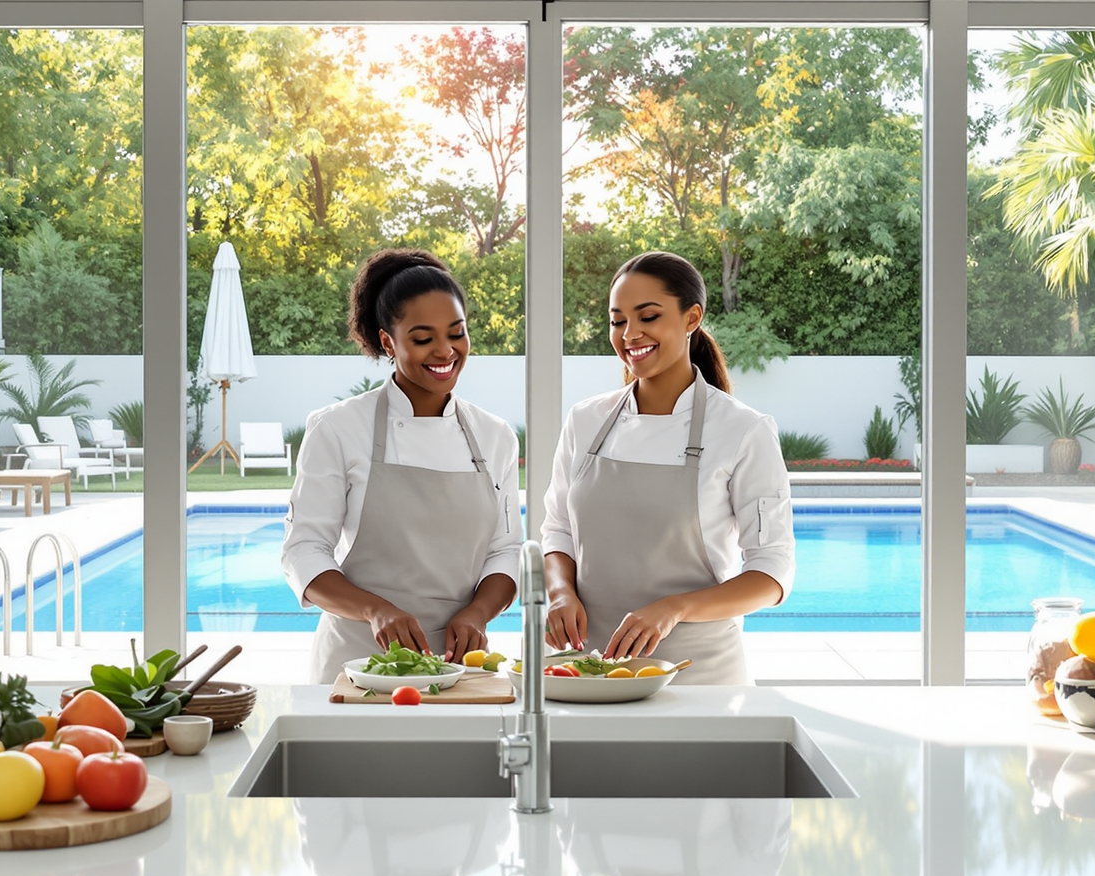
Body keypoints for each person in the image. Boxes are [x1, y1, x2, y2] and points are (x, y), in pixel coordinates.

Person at [539, 251, 793, 686]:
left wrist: (674, 608)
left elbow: (772, 572)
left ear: (691, 317)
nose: (629, 334)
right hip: (583, 669)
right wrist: (561, 593)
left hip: (697, 676)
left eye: (648, 317)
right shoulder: (585, 420)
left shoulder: (743, 430)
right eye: (617, 321)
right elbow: (557, 529)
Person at [284, 249, 524, 684]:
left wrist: (477, 613)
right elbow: (303, 550)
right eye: (423, 338)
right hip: (358, 662)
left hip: (459, 666)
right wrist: (376, 610)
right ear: (388, 342)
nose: (445, 351)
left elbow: (504, 551)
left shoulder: (495, 436)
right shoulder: (337, 428)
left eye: (457, 333)